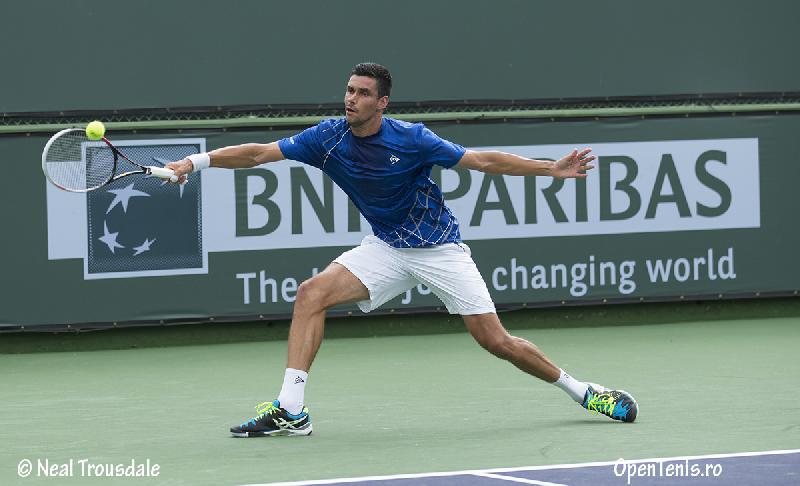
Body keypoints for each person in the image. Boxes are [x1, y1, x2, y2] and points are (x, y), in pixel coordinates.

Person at [167, 62, 638, 437]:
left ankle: (582, 392)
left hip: (439, 250)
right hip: (387, 246)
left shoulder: (412, 139)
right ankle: (291, 410)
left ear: (382, 102)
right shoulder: (327, 137)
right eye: (349, 90)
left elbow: (481, 161)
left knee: (497, 342)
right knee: (311, 294)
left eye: (363, 93)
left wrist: (547, 170)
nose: (351, 99)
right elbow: (257, 154)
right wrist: (195, 160)